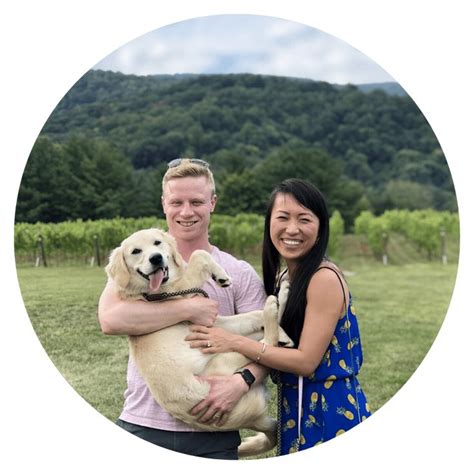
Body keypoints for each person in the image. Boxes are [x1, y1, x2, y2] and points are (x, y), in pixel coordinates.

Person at [98, 158, 268, 459]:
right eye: (177, 201)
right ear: (164, 204)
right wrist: (189, 310)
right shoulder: (135, 266)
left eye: (197, 201)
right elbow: (111, 319)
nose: (186, 211)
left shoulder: (238, 272)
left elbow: (267, 343)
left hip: (214, 430)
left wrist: (242, 381)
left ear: (212, 203)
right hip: (141, 424)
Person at [186, 178, 371, 455]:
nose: (292, 229)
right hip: (296, 407)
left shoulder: (323, 279)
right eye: (282, 217)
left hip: (329, 412)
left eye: (304, 219)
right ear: (269, 223)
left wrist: (233, 342)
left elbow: (306, 361)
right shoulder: (287, 276)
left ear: (320, 228)